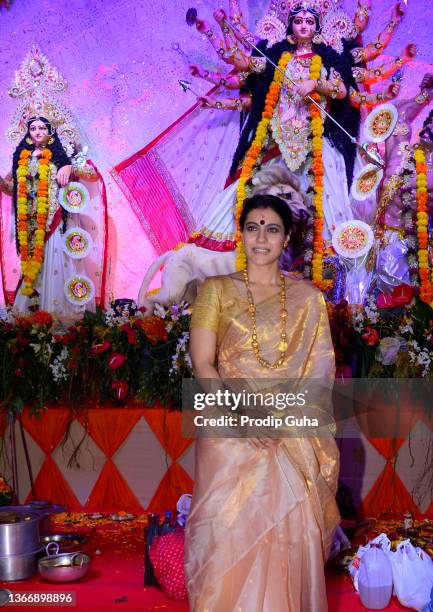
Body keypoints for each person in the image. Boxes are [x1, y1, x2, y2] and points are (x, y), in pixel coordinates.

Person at [185, 194, 340, 611]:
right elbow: (203, 364)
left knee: (291, 533)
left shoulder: (309, 299)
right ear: (243, 233)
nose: (261, 238)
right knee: (230, 534)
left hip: (289, 433)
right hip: (231, 431)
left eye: (272, 229)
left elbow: (318, 375)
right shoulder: (215, 291)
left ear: (286, 237)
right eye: (253, 227)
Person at [0, 47, 107, 318]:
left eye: (42, 128)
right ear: (28, 132)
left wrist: (71, 165)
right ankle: (36, 320)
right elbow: (11, 189)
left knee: (60, 265)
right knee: (35, 267)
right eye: (33, 128)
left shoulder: (60, 156)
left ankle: (61, 317)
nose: (37, 132)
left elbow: (92, 174)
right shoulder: (22, 159)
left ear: (50, 131)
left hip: (57, 222)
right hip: (32, 225)